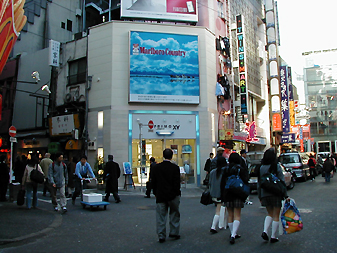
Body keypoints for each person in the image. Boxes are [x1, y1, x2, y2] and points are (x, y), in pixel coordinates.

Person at [257, 148, 287, 243]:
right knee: (276, 215)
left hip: (265, 193)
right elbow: (282, 180)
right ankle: (273, 236)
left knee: (269, 213)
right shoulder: (276, 166)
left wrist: (260, 195)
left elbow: (259, 183)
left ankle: (265, 231)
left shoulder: (261, 167)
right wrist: (285, 194)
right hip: (276, 193)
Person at [152, 148, 181, 243]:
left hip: (160, 195)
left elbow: (154, 182)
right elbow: (177, 183)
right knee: (174, 214)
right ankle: (174, 232)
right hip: (173, 195)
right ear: (172, 156)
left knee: (161, 216)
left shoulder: (156, 167)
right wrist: (176, 193)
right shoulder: (175, 168)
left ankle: (161, 235)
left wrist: (155, 193)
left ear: (163, 156)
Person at [220, 152, 249, 244]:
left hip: (227, 193)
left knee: (230, 214)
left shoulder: (225, 169)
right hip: (238, 193)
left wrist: (222, 195)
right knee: (237, 214)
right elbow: (246, 179)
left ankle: (232, 233)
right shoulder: (240, 169)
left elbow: (222, 183)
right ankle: (233, 234)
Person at [209, 156, 227, 234]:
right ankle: (214, 226)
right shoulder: (225, 171)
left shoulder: (213, 172)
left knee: (219, 209)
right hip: (221, 194)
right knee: (219, 210)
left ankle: (221, 224)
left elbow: (209, 183)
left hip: (214, 193)